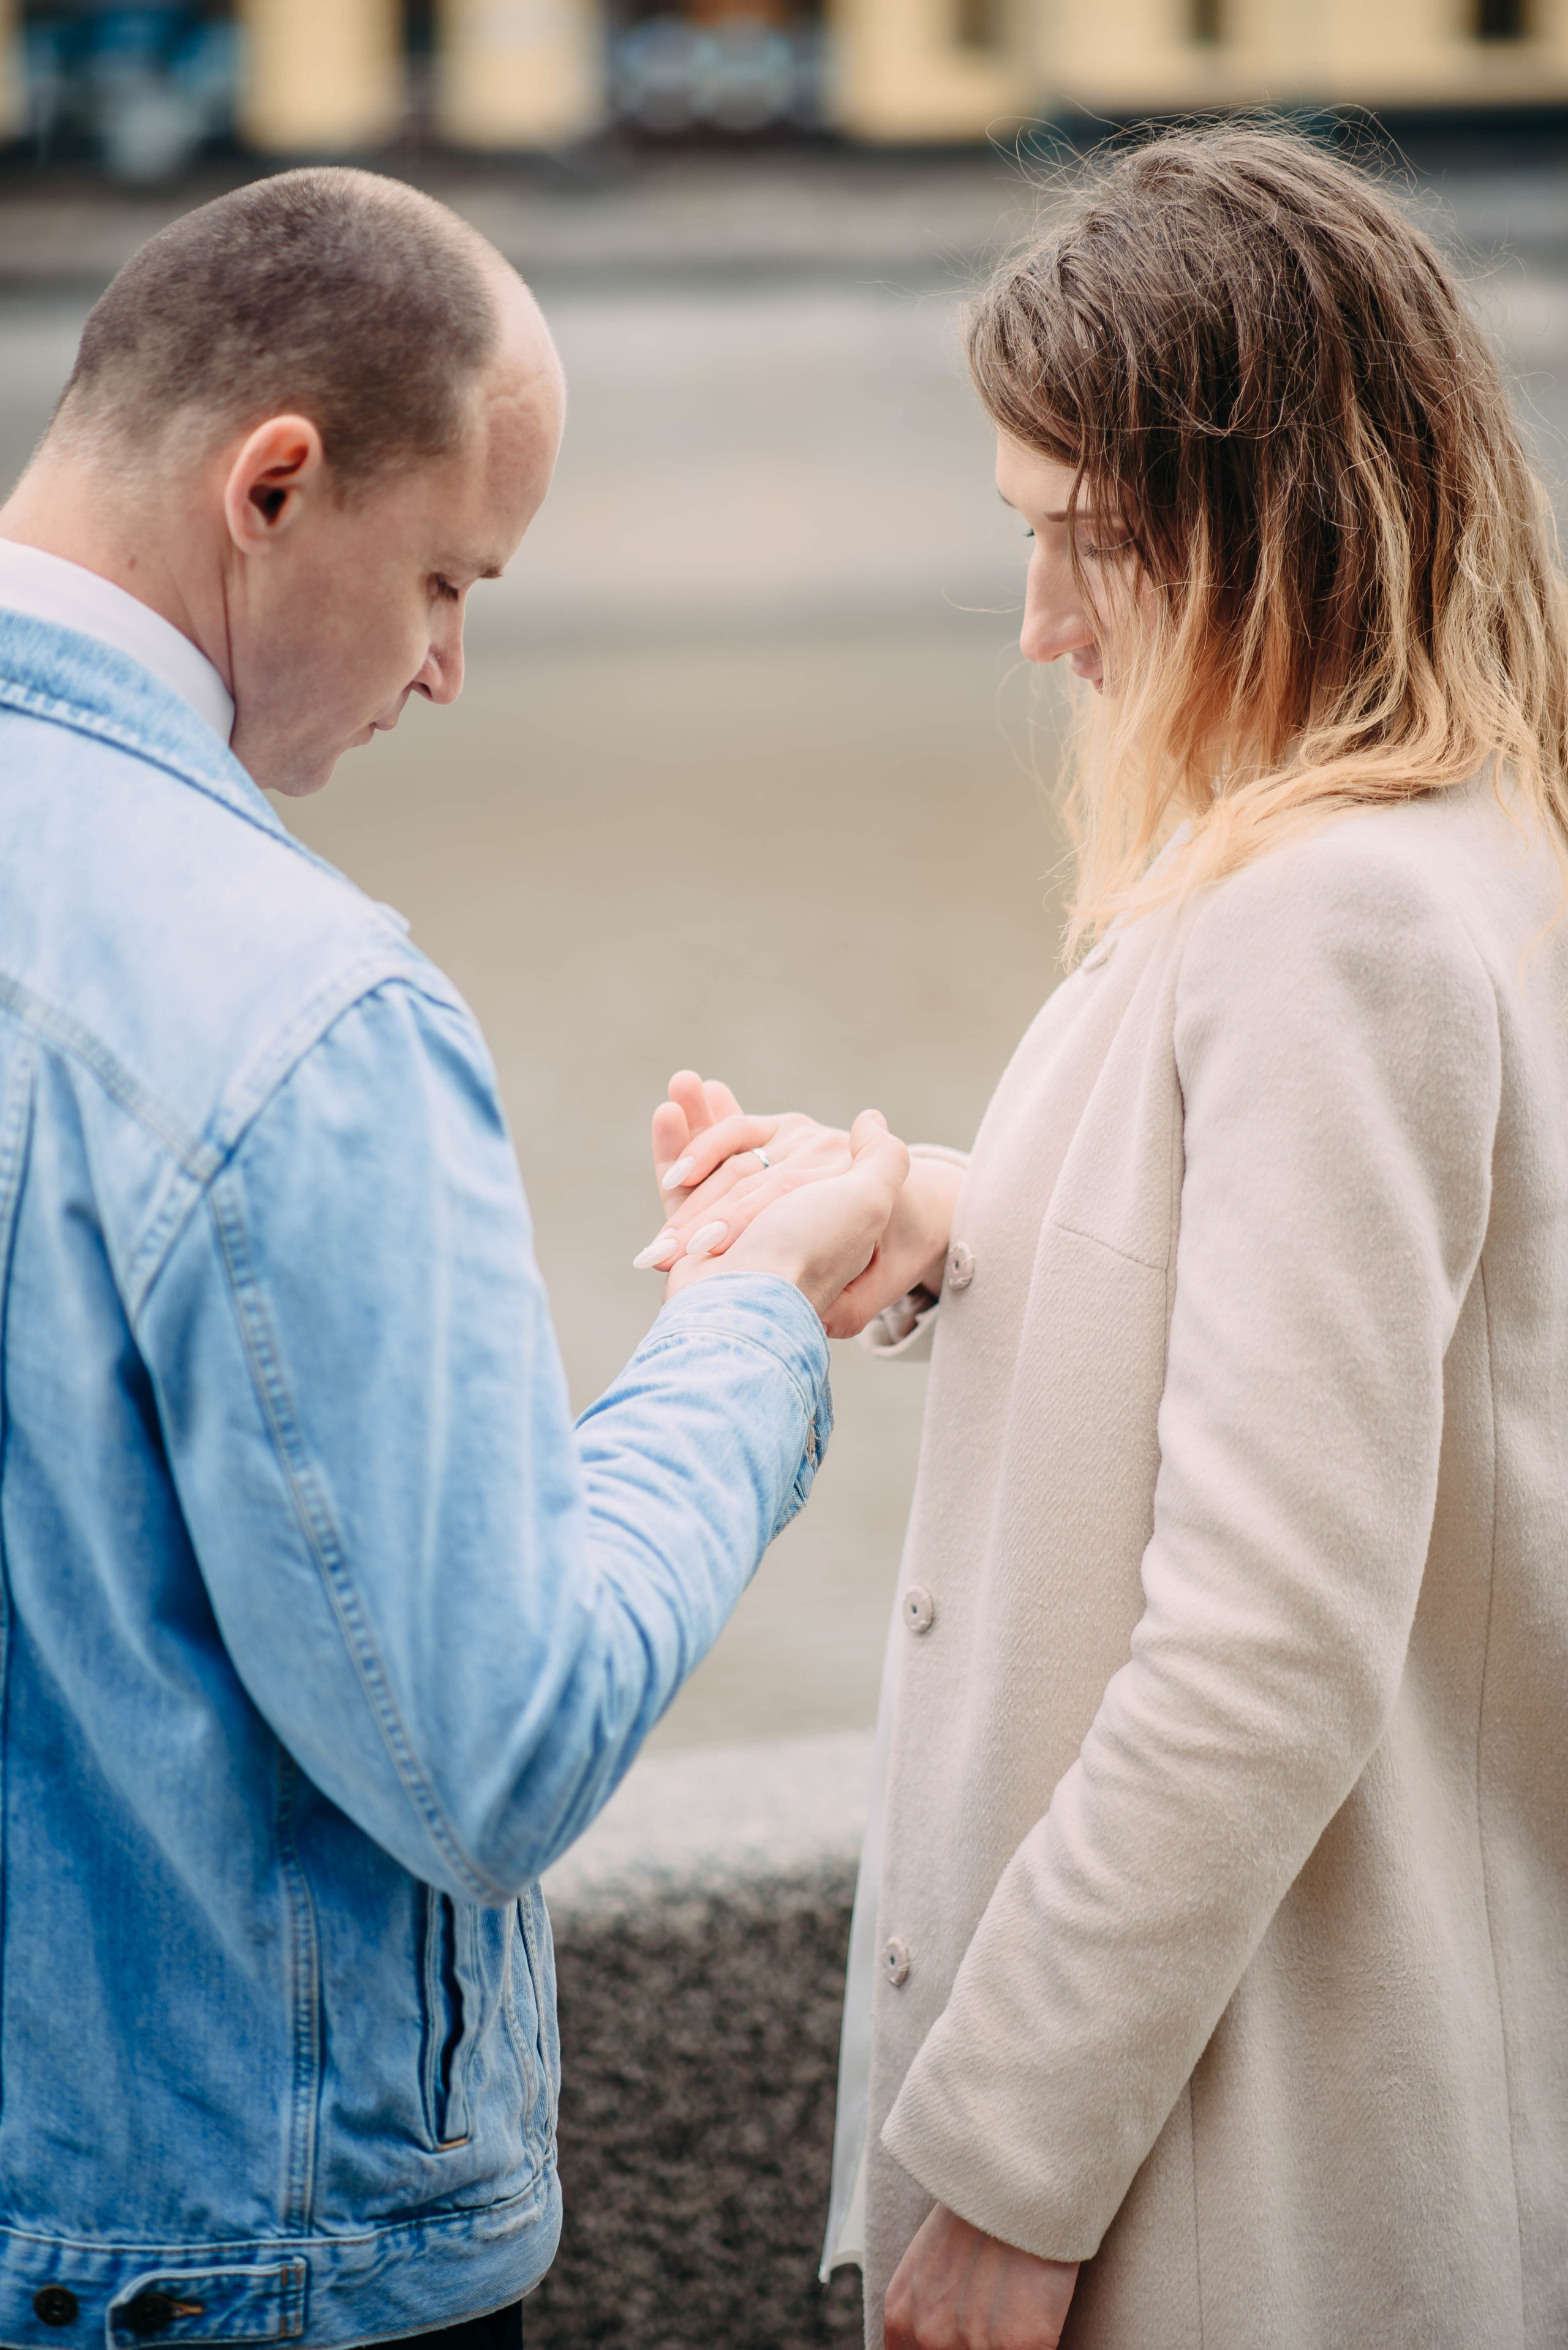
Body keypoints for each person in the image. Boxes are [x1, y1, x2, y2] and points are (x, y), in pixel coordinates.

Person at [638, 126, 1568, 2349]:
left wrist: (1007, 2165)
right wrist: (934, 1219)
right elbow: (1348, 1339)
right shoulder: (1456, 850)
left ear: (1292, 529)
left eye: (1096, 546)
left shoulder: (1330, 919)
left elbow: (1270, 1635)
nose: (1045, 624)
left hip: (1250, 2170)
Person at [0, 168, 908, 2350]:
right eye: (443, 578)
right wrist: (751, 1324)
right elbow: (493, 1749)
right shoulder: (296, 1006)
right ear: (275, 483)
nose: (449, 671)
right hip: (237, 2268)